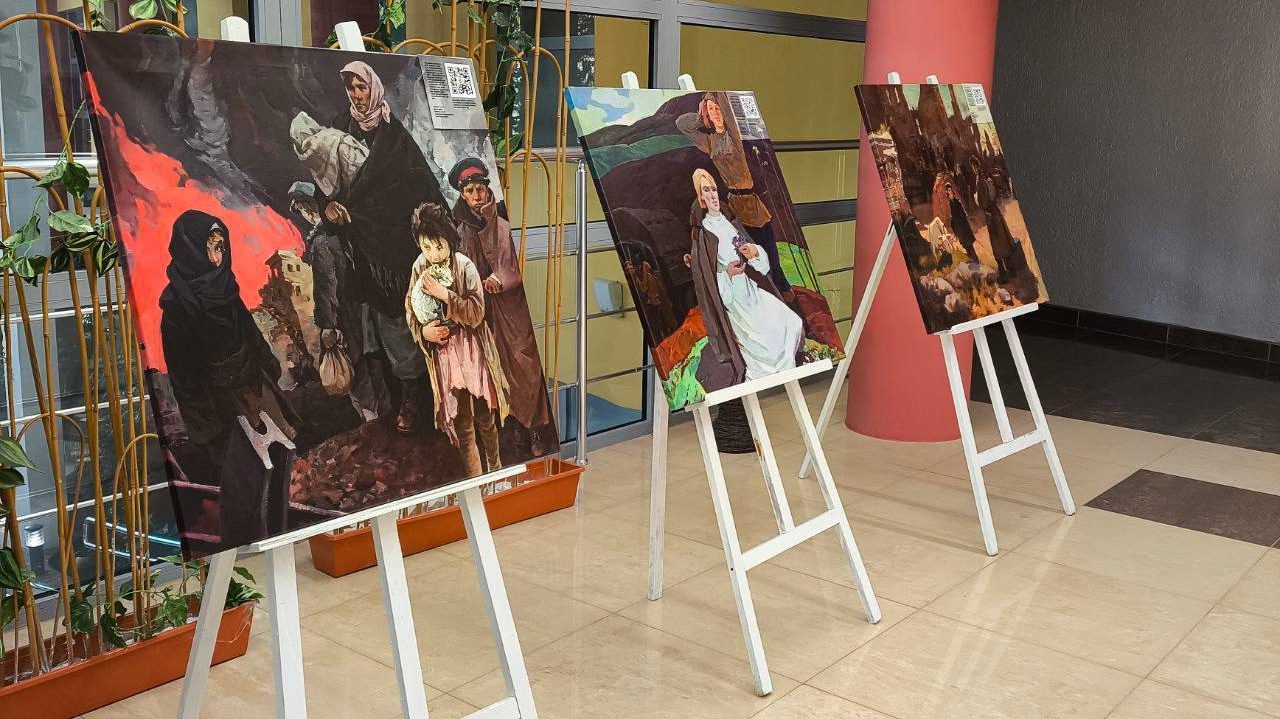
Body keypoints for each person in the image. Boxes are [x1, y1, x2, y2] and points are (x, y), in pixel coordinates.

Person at [158, 210, 299, 544]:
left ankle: (280, 530)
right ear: (188, 251)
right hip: (222, 404)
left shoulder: (226, 289)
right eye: (207, 248)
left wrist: (267, 364)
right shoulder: (178, 307)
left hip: (254, 388)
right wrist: (209, 428)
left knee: (280, 455)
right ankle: (248, 541)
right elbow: (185, 378)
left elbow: (249, 334)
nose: (215, 257)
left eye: (220, 247)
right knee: (243, 473)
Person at [321, 60, 445, 434]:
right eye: (351, 88)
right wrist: (331, 210)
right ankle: (392, 403)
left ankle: (417, 399)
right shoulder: (339, 127)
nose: (357, 95)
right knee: (372, 332)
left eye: (362, 87)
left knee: (400, 326)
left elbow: (419, 190)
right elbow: (326, 182)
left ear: (374, 88)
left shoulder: (393, 136)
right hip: (358, 252)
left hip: (393, 251)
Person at [447, 158, 553, 454]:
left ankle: (535, 425)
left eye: (480, 189)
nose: (476, 196)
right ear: (462, 194)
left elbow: (524, 260)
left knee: (524, 362)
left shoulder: (505, 221)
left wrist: (502, 277)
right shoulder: (460, 231)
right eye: (470, 191)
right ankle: (515, 424)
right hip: (483, 312)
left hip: (513, 308)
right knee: (496, 368)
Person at [405, 203, 509, 476]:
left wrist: (445, 295)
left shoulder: (464, 266)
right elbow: (411, 310)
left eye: (439, 247)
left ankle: (495, 468)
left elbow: (476, 312)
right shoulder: (419, 267)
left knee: (485, 415)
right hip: (447, 356)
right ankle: (475, 479)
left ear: (449, 240)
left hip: (472, 351)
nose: (433, 254)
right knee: (463, 422)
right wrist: (425, 332)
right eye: (426, 247)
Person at [686, 169, 803, 382]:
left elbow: (759, 262)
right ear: (700, 197)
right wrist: (727, 274)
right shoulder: (704, 232)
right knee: (764, 346)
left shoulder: (729, 221)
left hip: (749, 289)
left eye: (713, 189)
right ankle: (769, 377)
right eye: (706, 191)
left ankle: (787, 375)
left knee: (792, 322)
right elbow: (705, 277)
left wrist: (753, 251)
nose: (712, 195)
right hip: (733, 298)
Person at [289, 181, 386, 420]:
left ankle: (371, 417)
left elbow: (326, 287)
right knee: (376, 363)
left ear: (309, 208)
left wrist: (328, 325)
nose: (304, 215)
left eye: (303, 209)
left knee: (355, 367)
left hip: (345, 315)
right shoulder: (349, 228)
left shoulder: (321, 242)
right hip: (370, 307)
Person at [677, 92, 791, 294]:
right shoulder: (710, 142)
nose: (716, 113)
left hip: (751, 204)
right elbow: (682, 124)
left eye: (717, 109)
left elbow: (728, 114)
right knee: (741, 252)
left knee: (767, 250)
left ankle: (781, 288)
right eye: (711, 110)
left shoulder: (733, 136)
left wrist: (717, 101)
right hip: (733, 205)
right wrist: (703, 115)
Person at [973, 157, 1017, 280]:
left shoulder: (980, 181)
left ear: (975, 167)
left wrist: (976, 198)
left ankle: (1003, 274)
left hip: (990, 215)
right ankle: (1012, 270)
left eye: (974, 167)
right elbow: (994, 193)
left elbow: (982, 202)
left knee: (997, 244)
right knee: (1003, 241)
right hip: (995, 212)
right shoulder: (987, 179)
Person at [946, 183, 979, 262]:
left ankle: (975, 259)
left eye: (951, 190)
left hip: (963, 225)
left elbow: (963, 214)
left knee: (969, 244)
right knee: (965, 245)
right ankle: (972, 259)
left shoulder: (957, 201)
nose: (950, 191)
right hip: (958, 228)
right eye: (949, 190)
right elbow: (951, 218)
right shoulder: (949, 204)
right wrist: (954, 230)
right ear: (947, 192)